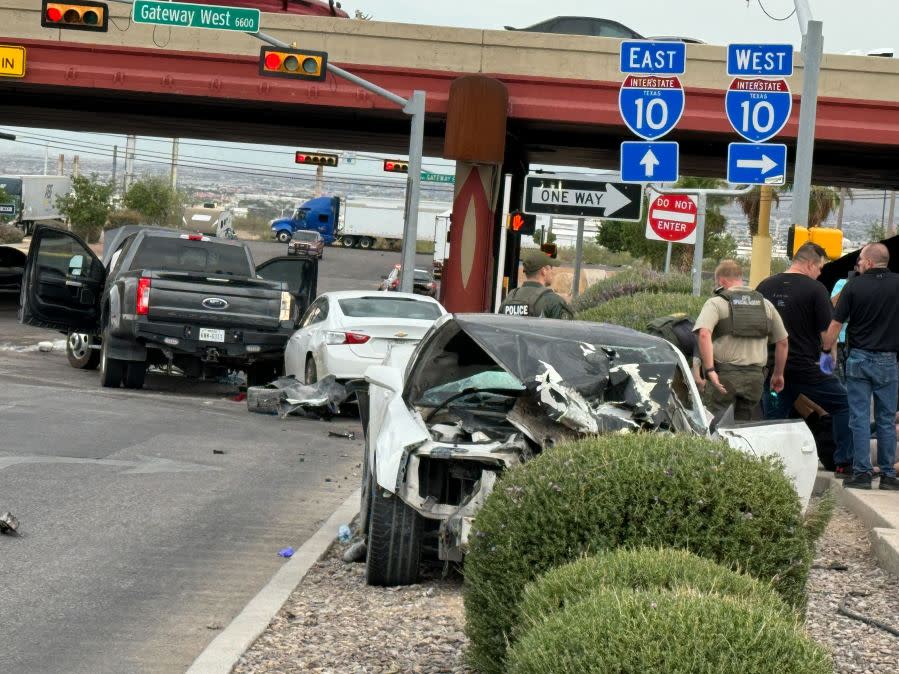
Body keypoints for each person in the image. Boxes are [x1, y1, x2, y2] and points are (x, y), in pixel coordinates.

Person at [757, 243, 854, 477]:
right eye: (820, 267)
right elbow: (826, 337)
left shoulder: (764, 285)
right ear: (810, 264)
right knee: (844, 405)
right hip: (806, 369)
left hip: (772, 369)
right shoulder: (816, 289)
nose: (820, 273)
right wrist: (827, 366)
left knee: (773, 421)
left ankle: (768, 468)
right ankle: (843, 462)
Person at [823, 243, 899, 490]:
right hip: (889, 360)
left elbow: (835, 324)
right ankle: (888, 476)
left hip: (859, 359)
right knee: (886, 419)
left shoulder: (854, 285)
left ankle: (863, 473)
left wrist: (826, 349)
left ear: (867, 262)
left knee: (860, 417)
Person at [693, 259, 788, 421]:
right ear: (740, 278)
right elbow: (783, 342)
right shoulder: (765, 305)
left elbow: (703, 334)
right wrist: (778, 374)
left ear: (721, 281)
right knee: (743, 427)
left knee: (717, 425)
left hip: (725, 376)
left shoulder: (716, 303)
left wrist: (709, 370)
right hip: (755, 378)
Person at [498, 249, 574, 319]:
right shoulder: (554, 302)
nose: (553, 272)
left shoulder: (509, 298)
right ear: (544, 271)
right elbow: (565, 331)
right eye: (551, 267)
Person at [829, 265, 858, 382]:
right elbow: (832, 305)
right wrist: (848, 284)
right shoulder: (843, 282)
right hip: (840, 341)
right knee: (840, 380)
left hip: (858, 342)